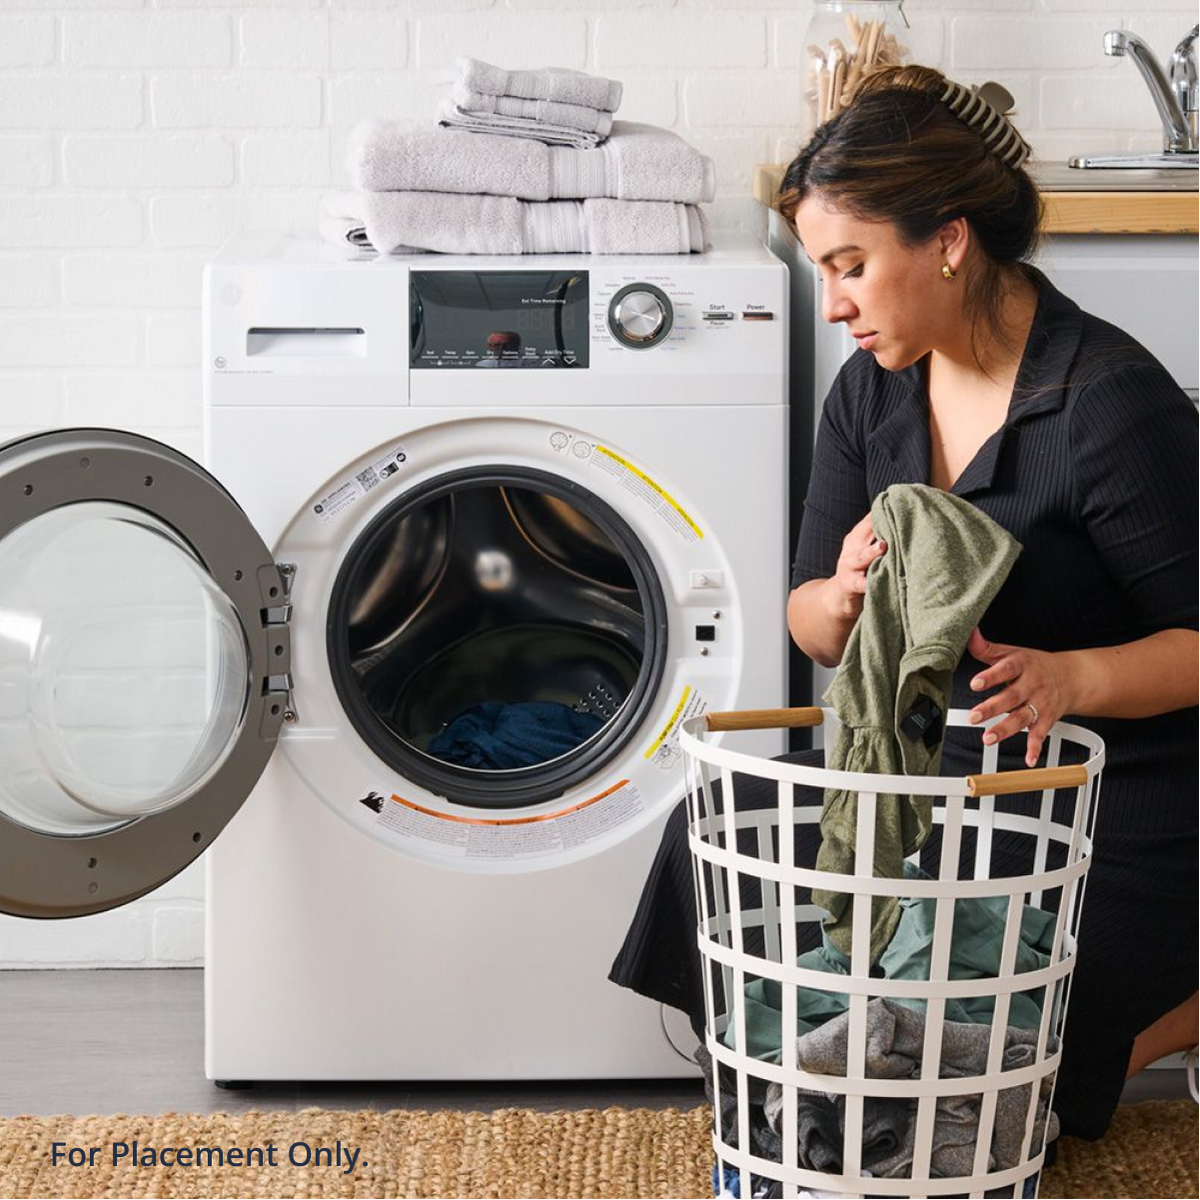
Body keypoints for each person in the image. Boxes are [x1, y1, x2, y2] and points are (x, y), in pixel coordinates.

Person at [610, 63, 1200, 1147]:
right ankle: (835, 1069)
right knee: (715, 848)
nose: (833, 303)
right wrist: (837, 596)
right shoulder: (874, 385)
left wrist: (1079, 677)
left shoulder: (1105, 405)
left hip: (1113, 789)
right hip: (938, 768)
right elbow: (804, 620)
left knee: (997, 1044)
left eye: (849, 266)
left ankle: (1169, 1003)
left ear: (946, 241)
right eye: (820, 270)